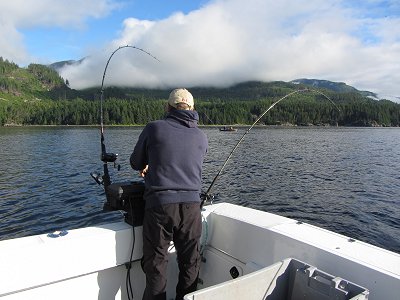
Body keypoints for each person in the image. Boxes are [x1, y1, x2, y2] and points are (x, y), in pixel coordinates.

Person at [130, 88, 208, 300]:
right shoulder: (201, 137)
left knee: (156, 267)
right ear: (192, 109)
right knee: (190, 264)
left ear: (168, 107)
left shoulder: (154, 128)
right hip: (192, 208)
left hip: (160, 207)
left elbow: (135, 162)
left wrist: (149, 165)